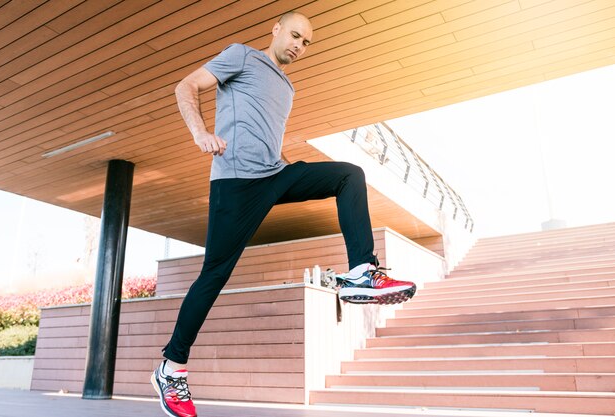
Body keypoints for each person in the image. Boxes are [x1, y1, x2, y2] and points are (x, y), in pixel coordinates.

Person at [150, 11, 416, 417]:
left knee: (348, 175)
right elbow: (185, 86)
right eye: (294, 35)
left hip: (274, 175)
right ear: (275, 30)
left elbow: (265, 133)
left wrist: (290, 168)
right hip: (235, 182)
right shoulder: (240, 56)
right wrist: (200, 133)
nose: (298, 45)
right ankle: (171, 367)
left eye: (306, 42)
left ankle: (362, 269)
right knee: (214, 274)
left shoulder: (288, 87)